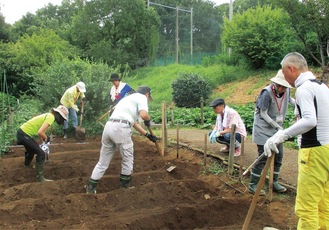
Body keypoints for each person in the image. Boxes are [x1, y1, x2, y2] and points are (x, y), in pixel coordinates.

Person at [264, 52, 329, 229]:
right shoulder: (322, 86)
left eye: (284, 73)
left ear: (291, 69)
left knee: (306, 207)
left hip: (314, 153)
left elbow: (309, 120)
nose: (284, 79)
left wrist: (281, 135)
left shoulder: (304, 89)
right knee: (323, 204)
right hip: (327, 149)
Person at [86, 86, 157, 194]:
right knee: (127, 159)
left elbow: (133, 122)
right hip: (121, 129)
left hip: (109, 127)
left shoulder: (127, 99)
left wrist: (147, 134)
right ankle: (125, 190)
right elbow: (144, 115)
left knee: (102, 162)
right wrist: (148, 120)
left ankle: (90, 189)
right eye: (148, 97)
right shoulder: (142, 97)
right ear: (147, 94)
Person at [248, 70, 295, 195]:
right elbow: (263, 113)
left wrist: (300, 106)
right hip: (263, 129)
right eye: (280, 86)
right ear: (275, 83)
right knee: (263, 156)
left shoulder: (287, 90)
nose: (282, 89)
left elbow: (290, 100)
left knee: (278, 156)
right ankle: (253, 184)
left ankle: (274, 182)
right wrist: (276, 126)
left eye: (284, 87)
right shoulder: (266, 93)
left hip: (277, 129)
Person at [16, 105, 69, 182]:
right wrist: (46, 138)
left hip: (21, 133)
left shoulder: (49, 115)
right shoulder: (51, 117)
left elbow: (40, 132)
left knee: (31, 150)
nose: (62, 120)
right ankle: (39, 178)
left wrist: (43, 140)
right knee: (41, 154)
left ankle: (26, 166)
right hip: (24, 134)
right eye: (62, 118)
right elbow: (40, 132)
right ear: (59, 115)